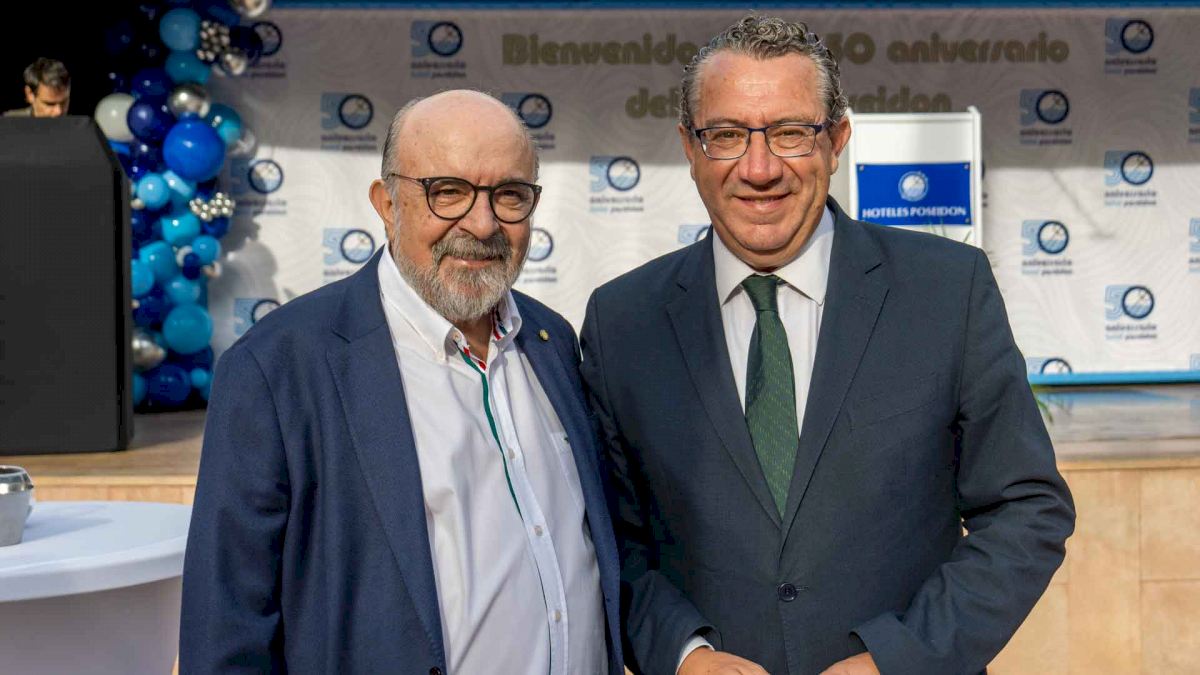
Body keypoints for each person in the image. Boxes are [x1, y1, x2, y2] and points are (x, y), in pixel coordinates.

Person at [580, 15, 1075, 675]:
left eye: (790, 132)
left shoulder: (945, 291)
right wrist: (684, 654)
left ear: (837, 140)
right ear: (690, 148)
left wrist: (897, 659)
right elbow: (613, 542)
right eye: (727, 135)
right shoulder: (622, 322)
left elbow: (1025, 509)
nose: (759, 169)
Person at [181, 90, 623, 675]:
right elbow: (227, 631)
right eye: (448, 192)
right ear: (387, 204)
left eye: (510, 195)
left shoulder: (552, 341)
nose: (482, 223)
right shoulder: (279, 368)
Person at [4, 58, 70, 117]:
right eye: (50, 104)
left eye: (64, 103)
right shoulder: (9, 121)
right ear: (30, 94)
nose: (58, 112)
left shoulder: (75, 124)